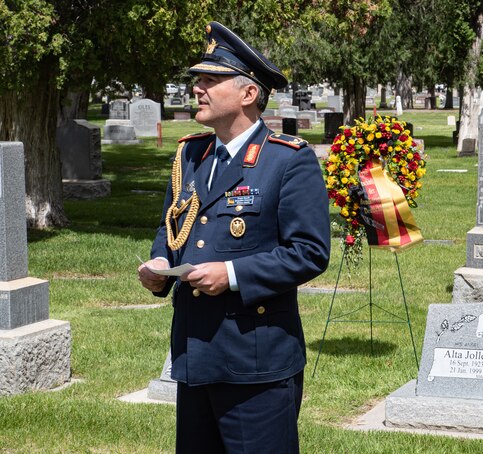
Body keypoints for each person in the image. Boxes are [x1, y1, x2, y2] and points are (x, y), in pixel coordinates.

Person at [138, 21, 330, 453]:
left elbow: (309, 252)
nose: (198, 89)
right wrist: (159, 266)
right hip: (194, 352)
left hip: (255, 360)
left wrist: (231, 273)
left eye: (211, 80)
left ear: (247, 94)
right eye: (198, 80)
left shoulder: (288, 161)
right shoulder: (191, 153)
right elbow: (173, 226)